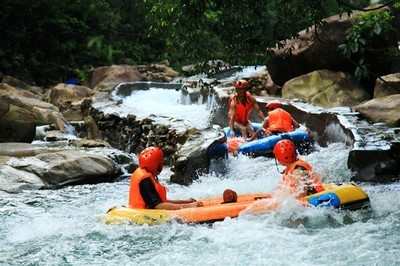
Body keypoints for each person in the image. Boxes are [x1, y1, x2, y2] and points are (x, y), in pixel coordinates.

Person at [129, 146, 203, 210]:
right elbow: (158, 206)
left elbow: (161, 202)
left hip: (142, 210)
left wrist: (186, 201)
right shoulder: (145, 180)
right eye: (160, 162)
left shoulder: (144, 173)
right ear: (156, 165)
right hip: (142, 214)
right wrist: (188, 206)